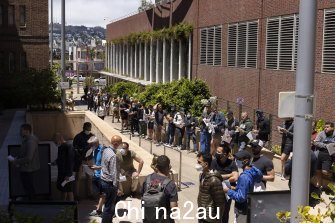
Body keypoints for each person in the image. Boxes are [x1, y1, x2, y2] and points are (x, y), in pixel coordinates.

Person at [224, 150, 263, 223]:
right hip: (248, 207)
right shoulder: (252, 171)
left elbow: (241, 197)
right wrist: (235, 188)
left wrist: (228, 191)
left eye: (238, 159)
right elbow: (246, 189)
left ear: (245, 161)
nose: (236, 161)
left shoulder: (244, 177)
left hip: (242, 210)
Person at [142, 155, 178, 223]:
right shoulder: (170, 184)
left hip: (148, 218)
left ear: (156, 167)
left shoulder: (147, 179)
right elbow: (174, 207)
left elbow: (143, 196)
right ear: (169, 167)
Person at [10, 124, 40, 200]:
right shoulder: (27, 140)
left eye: (21, 130)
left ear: (27, 131)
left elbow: (29, 158)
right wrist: (18, 158)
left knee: (29, 187)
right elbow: (25, 153)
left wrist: (17, 161)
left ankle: (32, 203)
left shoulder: (30, 142)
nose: (20, 132)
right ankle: (30, 202)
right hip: (26, 168)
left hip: (28, 169)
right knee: (28, 187)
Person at [211, 144, 239, 223]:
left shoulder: (232, 163)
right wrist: (229, 175)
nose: (216, 153)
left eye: (218, 152)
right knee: (214, 213)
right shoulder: (214, 162)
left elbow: (236, 177)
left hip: (227, 193)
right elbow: (212, 176)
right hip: (215, 192)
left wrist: (219, 177)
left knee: (225, 213)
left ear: (225, 154)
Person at [196, 152, 225, 223]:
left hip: (210, 218)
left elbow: (220, 202)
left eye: (199, 162)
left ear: (206, 164)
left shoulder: (214, 180)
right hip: (202, 214)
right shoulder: (202, 175)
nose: (197, 164)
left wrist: (218, 218)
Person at [100, 135, 122, 223]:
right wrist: (118, 188)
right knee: (109, 207)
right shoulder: (113, 156)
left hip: (103, 181)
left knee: (107, 205)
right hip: (110, 184)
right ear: (116, 144)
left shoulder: (105, 150)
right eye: (120, 143)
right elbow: (114, 173)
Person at [73, 122, 94, 200]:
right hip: (81, 160)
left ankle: (90, 194)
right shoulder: (78, 137)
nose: (89, 129)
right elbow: (75, 148)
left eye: (90, 128)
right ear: (84, 127)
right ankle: (76, 195)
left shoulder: (92, 136)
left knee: (90, 177)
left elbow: (95, 146)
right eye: (87, 128)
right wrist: (85, 148)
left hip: (90, 159)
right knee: (78, 178)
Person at [54, 133, 75, 201]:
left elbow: (70, 161)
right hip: (62, 173)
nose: (55, 143)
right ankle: (63, 205)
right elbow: (61, 158)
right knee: (64, 189)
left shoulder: (69, 146)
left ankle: (70, 206)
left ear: (60, 139)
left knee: (69, 190)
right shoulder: (60, 147)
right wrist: (55, 162)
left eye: (55, 141)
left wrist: (68, 174)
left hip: (67, 174)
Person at [314, 121, 335, 188]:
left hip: (329, 156)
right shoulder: (321, 134)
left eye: (327, 127)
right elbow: (316, 142)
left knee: (325, 171)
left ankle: (332, 175)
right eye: (325, 127)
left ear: (332, 128)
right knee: (318, 171)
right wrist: (326, 145)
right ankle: (319, 185)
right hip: (319, 154)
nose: (325, 128)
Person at [88, 136, 105, 217]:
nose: (90, 146)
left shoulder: (103, 150)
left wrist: (97, 167)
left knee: (103, 194)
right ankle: (99, 209)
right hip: (96, 174)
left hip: (102, 176)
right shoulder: (94, 150)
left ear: (96, 143)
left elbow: (107, 165)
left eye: (91, 145)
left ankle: (99, 211)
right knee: (99, 194)